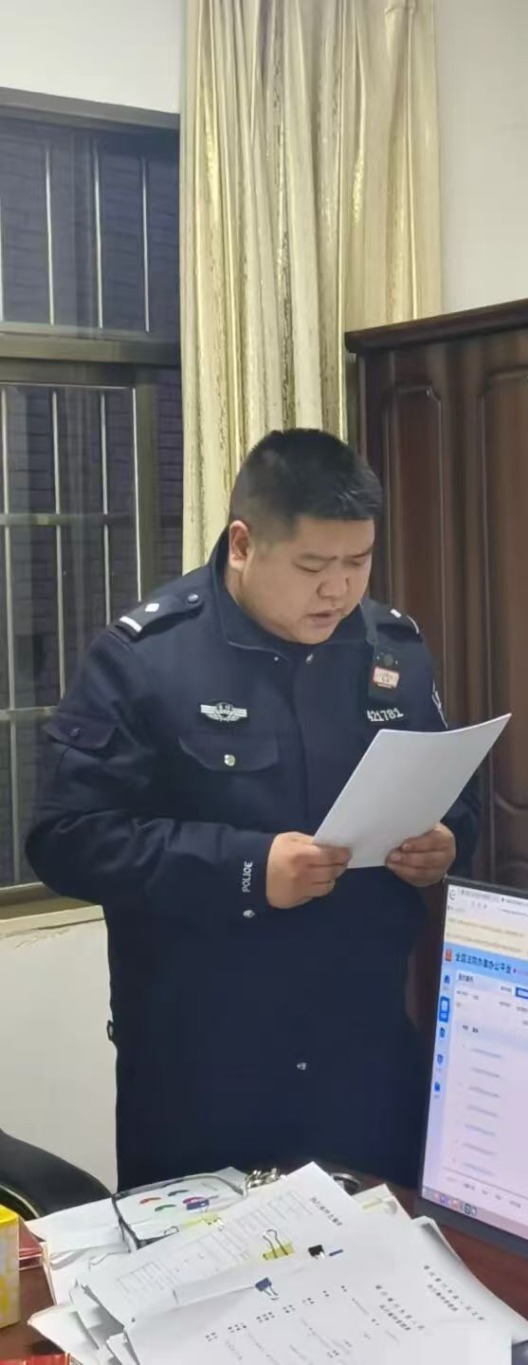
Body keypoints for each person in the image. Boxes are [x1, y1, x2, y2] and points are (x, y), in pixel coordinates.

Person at [27, 429, 479, 1192]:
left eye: (358, 562)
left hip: (364, 1066)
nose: (338, 590)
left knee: (390, 1259)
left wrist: (446, 840)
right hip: (204, 1077)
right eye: (312, 566)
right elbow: (66, 838)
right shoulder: (147, 657)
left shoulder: (392, 648)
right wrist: (245, 868)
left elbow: (451, 794)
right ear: (243, 543)